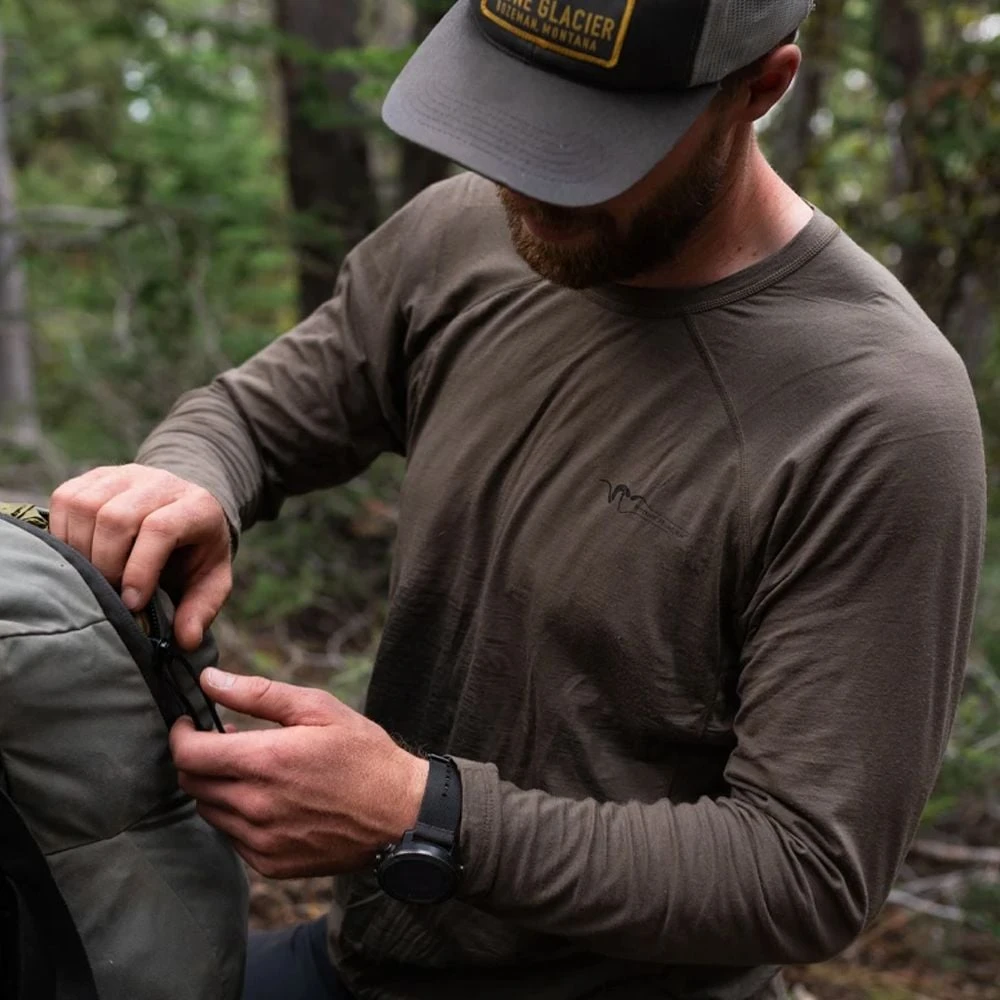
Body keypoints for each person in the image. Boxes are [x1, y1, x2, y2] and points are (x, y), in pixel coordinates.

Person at [49, 0, 986, 998]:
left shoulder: (873, 413)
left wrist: (422, 813)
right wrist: (188, 477)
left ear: (761, 86)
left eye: (590, 144)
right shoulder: (464, 232)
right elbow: (259, 414)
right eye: (510, 114)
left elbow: (805, 871)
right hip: (361, 963)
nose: (528, 182)